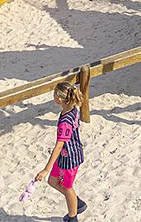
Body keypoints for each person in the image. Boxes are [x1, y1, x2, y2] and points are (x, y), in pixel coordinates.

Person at [34, 81, 86, 222]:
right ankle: (77, 202)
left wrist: (45, 169)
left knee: (67, 188)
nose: (53, 97)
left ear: (60, 99)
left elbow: (58, 145)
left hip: (70, 158)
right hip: (64, 155)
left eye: (54, 95)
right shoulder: (72, 109)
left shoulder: (65, 121)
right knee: (52, 181)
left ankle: (73, 217)